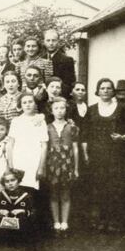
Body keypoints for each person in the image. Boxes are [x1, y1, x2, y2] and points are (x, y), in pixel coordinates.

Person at [82, 78, 125, 232]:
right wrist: (86, 154)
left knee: (115, 187)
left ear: (113, 91)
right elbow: (85, 133)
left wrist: (122, 137)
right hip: (97, 153)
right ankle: (100, 220)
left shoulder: (122, 108)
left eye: (109, 88)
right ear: (98, 91)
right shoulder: (92, 109)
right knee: (99, 186)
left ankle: (114, 221)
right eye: (102, 88)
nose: (106, 91)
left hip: (115, 153)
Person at [46, 97, 79, 235]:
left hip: (67, 163)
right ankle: (56, 222)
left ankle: (65, 222)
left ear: (66, 109)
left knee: (65, 194)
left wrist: (76, 168)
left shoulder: (72, 127)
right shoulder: (47, 127)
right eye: (56, 108)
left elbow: (76, 148)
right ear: (51, 110)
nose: (59, 111)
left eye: (62, 108)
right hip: (52, 164)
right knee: (53, 194)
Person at [9, 93, 48, 190]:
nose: (27, 104)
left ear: (35, 104)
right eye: (24, 102)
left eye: (30, 102)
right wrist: (11, 165)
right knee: (18, 189)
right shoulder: (16, 121)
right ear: (20, 105)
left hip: (34, 161)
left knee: (32, 190)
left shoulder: (41, 121)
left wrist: (41, 167)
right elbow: (10, 144)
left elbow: (44, 146)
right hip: (18, 160)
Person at [0, 169, 34, 241]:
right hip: (5, 223)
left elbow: (32, 211)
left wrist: (23, 211)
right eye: (7, 182)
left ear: (18, 181)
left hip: (20, 223)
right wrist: (0, 211)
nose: (10, 183)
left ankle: (20, 238)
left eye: (13, 180)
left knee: (23, 219)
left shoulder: (25, 196)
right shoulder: (1, 195)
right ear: (4, 184)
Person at [43, 29, 76, 98]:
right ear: (44, 42)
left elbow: (70, 83)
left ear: (58, 42)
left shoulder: (67, 60)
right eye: (48, 40)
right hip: (43, 97)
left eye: (53, 40)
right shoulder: (41, 59)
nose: (51, 43)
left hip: (60, 97)